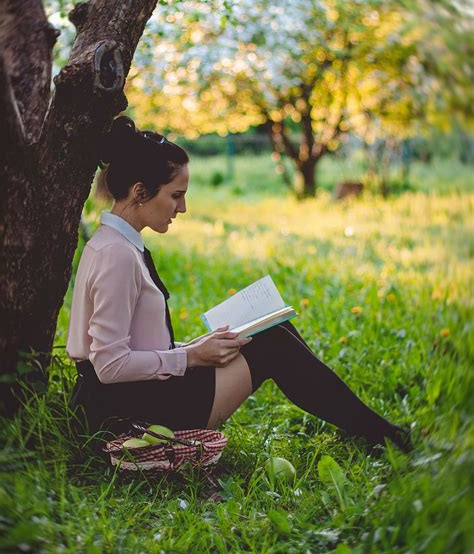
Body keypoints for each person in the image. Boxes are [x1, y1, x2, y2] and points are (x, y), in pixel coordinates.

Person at [67, 116, 411, 451]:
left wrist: (197, 347)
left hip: (141, 393)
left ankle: (371, 429)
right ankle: (383, 436)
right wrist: (191, 357)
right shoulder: (117, 255)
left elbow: (134, 346)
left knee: (274, 327)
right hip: (131, 412)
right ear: (140, 192)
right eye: (175, 196)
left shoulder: (116, 244)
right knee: (275, 342)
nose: (182, 207)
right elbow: (109, 366)